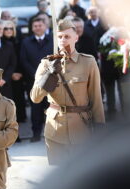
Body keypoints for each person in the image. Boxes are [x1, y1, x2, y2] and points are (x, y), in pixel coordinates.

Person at [30, 19, 105, 165]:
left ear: (76, 38)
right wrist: (49, 75)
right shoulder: (46, 63)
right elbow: (35, 98)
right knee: (59, 180)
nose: (63, 40)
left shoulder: (88, 62)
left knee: (83, 177)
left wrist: (100, 128)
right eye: (59, 37)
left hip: (81, 130)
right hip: (55, 131)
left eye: (67, 36)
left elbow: (96, 98)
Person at [21, 18, 53, 142]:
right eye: (35, 26)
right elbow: (24, 60)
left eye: (40, 25)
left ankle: (51, 132)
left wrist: (48, 74)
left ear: (45, 26)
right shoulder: (26, 42)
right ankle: (36, 133)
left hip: (51, 79)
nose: (38, 27)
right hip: (33, 80)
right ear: (32, 28)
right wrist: (37, 75)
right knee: (36, 108)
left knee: (50, 106)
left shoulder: (52, 40)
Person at [2, 20, 27, 125]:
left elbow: (22, 58)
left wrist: (19, 73)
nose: (8, 30)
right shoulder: (1, 42)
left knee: (19, 97)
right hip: (6, 75)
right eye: (6, 28)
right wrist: (10, 73)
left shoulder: (19, 41)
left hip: (18, 74)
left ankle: (20, 118)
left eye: (11, 28)